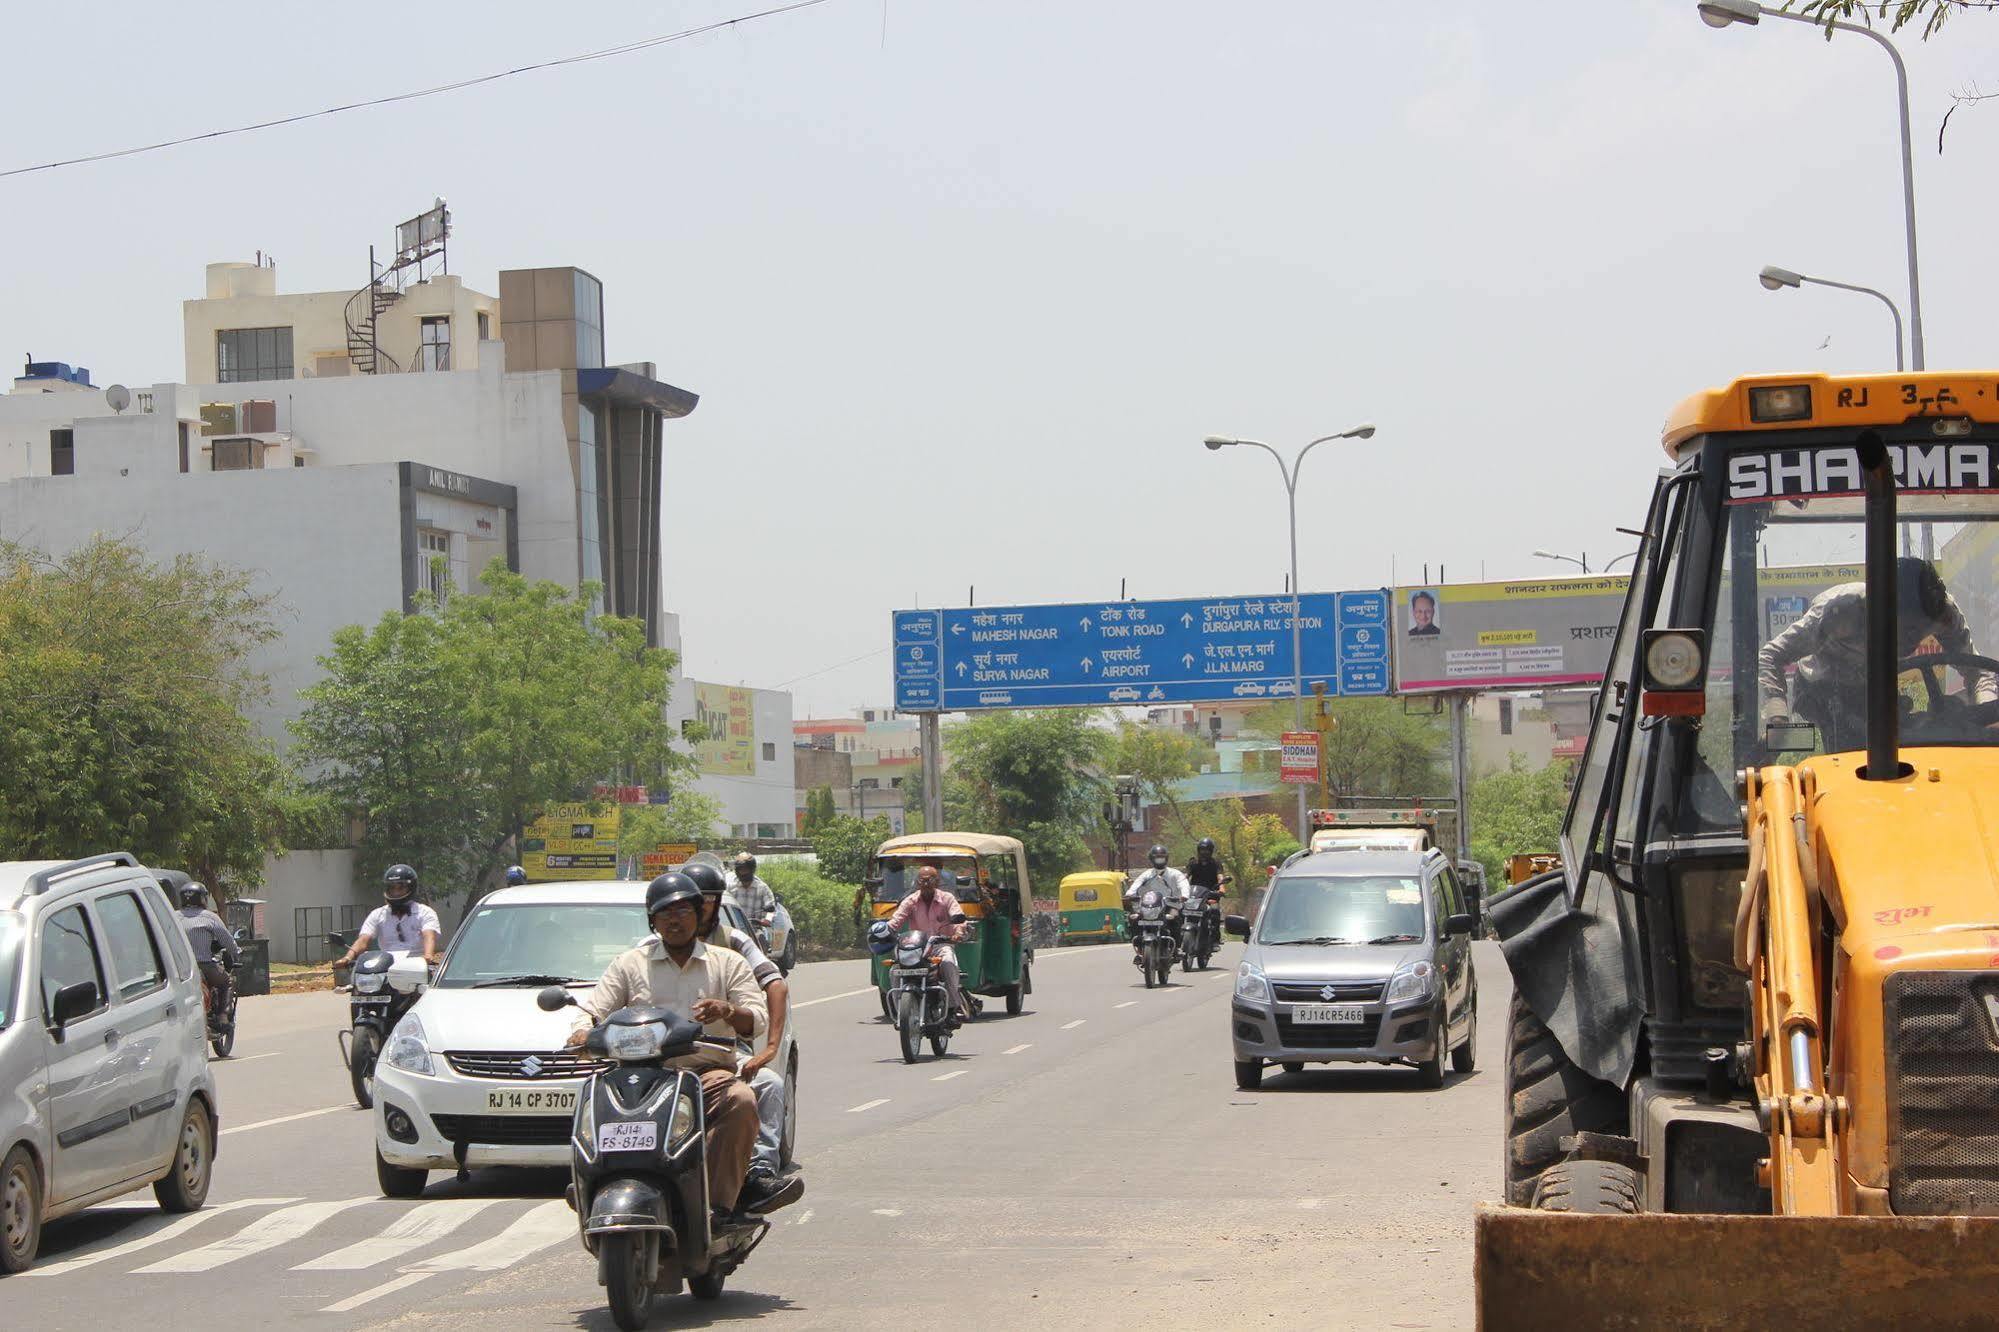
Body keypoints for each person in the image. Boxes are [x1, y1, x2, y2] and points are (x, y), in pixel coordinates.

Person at [567, 873, 768, 1218]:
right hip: (639, 1079)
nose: (675, 919)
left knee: (741, 1099)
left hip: (705, 1076)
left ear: (700, 914)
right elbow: (592, 1011)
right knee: (591, 1102)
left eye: (683, 911)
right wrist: (582, 1033)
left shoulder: (727, 962)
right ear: (653, 921)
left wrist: (728, 1010)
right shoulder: (630, 964)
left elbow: (757, 1018)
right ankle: (592, 1180)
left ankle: (719, 1208)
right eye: (665, 913)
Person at [1759, 557, 1996, 750]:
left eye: (1921, 629)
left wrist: (1987, 715)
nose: (1910, 639)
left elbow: (1977, 673)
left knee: (1918, 737)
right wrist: (1778, 718)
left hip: (1876, 685)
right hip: (1823, 686)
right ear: (1879, 610)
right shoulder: (1842, 613)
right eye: (1903, 627)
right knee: (1852, 751)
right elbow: (1771, 656)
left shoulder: (1943, 613)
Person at [685, 862, 803, 1212]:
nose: (689, 912)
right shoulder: (645, 950)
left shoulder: (733, 946)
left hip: (720, 1053)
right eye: (673, 908)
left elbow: (774, 985)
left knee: (768, 1084)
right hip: (664, 1056)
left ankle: (757, 1174)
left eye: (701, 901)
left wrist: (769, 1047)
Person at [886, 865, 972, 1025]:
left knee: (948, 962)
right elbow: (896, 920)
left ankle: (954, 1007)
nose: (925, 883)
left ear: (937, 881)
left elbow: (958, 917)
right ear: (917, 882)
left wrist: (958, 932)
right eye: (922, 880)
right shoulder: (910, 901)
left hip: (940, 945)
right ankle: (900, 1014)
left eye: (930, 880)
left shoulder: (947, 899)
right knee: (895, 970)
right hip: (917, 948)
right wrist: (886, 931)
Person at [334, 865, 444, 970]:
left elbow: (429, 936)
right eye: (392, 888)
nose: (396, 892)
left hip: (417, 966)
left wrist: (428, 956)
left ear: (411, 887)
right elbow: (363, 940)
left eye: (401, 888)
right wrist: (348, 957)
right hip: (385, 966)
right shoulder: (377, 914)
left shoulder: (425, 913)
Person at [175, 883, 239, 1019]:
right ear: (202, 898)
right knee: (227, 981)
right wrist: (236, 952)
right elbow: (227, 941)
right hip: (205, 967)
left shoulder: (173, 917)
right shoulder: (209, 917)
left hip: (178, 970)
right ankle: (223, 1015)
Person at [1184, 837, 1232, 954]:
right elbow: (1186, 876)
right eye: (1202, 850)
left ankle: (1215, 940)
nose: (1204, 852)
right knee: (1182, 911)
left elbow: (1220, 875)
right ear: (1198, 850)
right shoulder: (1193, 862)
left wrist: (1221, 887)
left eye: (1206, 850)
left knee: (1214, 911)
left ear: (1211, 851)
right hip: (1194, 895)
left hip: (1211, 894)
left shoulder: (1215, 863)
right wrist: (1180, 886)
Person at [1125, 844, 1191, 911]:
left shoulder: (1176, 873)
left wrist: (1184, 895)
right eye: (1157, 858)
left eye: (1162, 857)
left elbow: (1183, 884)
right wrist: (1129, 894)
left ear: (1166, 858)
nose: (1159, 860)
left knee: (1173, 916)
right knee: (1134, 917)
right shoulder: (1147, 874)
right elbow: (1137, 883)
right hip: (1151, 908)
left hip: (1172, 906)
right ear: (1151, 859)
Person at [726, 853, 778, 926]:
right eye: (740, 869)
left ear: (752, 869)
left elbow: (771, 908)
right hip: (735, 928)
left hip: (756, 930)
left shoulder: (763, 888)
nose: (743, 872)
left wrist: (767, 920)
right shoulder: (730, 887)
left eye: (745, 869)